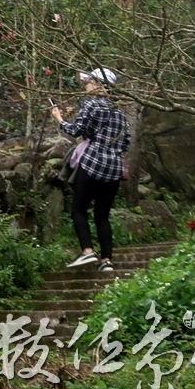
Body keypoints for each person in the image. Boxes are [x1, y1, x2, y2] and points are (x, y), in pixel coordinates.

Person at [51, 67, 130, 271]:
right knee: (102, 216)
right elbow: (125, 143)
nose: (86, 85)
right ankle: (106, 261)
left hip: (92, 164)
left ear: (98, 84)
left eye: (89, 81)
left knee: (78, 209)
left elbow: (76, 130)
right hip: (113, 169)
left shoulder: (92, 105)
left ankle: (87, 251)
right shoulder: (120, 114)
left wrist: (59, 119)